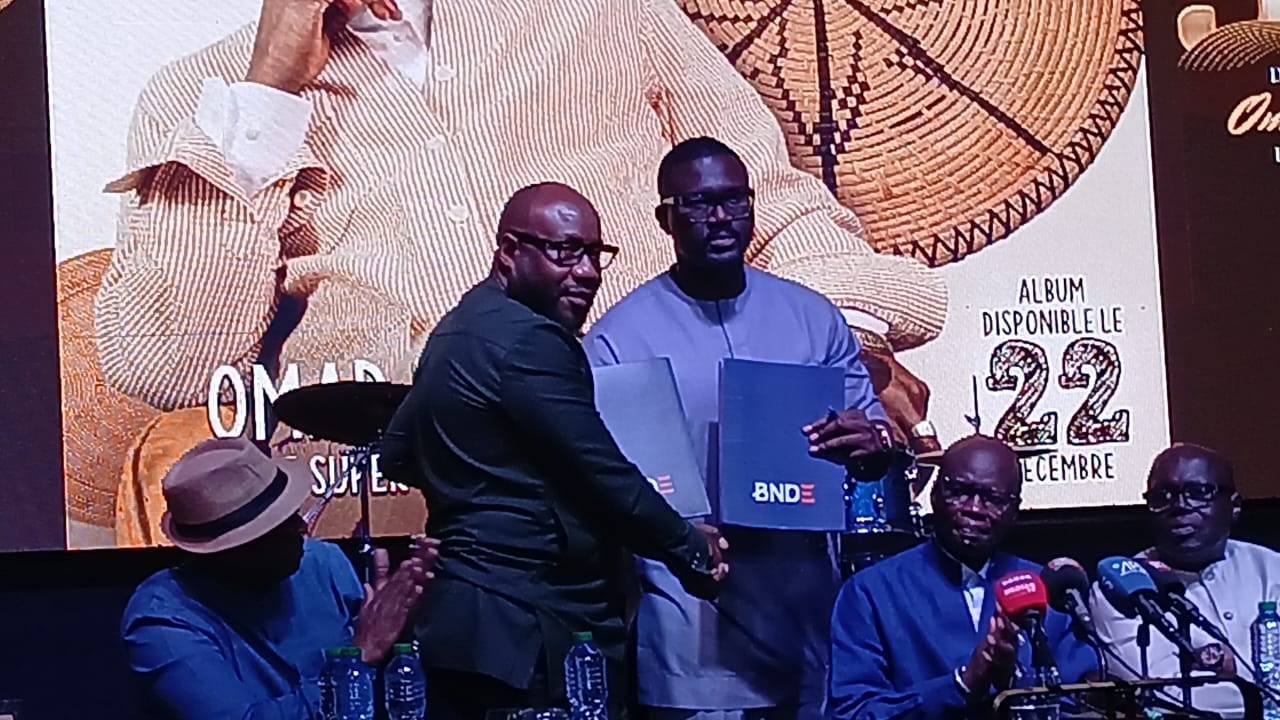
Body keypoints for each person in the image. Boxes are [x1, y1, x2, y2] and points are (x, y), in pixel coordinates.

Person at [93, 0, 944, 419]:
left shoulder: (602, 11)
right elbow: (168, 365)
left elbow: (775, 211)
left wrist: (842, 349)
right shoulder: (206, 100)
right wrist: (268, 91)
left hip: (669, 452)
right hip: (413, 501)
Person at [581, 136, 926, 720]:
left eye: (735, 199)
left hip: (802, 616)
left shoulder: (814, 319)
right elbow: (603, 482)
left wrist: (874, 445)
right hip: (688, 626)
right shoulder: (617, 340)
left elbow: (873, 447)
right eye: (699, 203)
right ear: (666, 219)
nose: (721, 217)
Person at [380, 182, 728, 720]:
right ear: (509, 251)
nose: (586, 271)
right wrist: (691, 550)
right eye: (565, 252)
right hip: (528, 626)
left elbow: (396, 453)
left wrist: (483, 484)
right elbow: (600, 473)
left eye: (594, 253)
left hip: (465, 621)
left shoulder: (457, 326)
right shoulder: (530, 340)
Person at [121, 436, 439, 720]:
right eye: (279, 526)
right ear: (230, 550)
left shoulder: (323, 562)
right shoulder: (163, 619)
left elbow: (380, 683)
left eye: (291, 513)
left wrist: (403, 629)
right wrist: (357, 660)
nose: (301, 528)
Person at [828, 435, 1097, 720]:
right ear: (934, 495)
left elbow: (1082, 705)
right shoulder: (871, 593)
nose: (974, 509)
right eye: (959, 492)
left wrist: (1015, 683)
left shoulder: (1048, 589)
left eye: (993, 499)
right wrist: (962, 684)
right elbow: (853, 712)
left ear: (1015, 510)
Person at [1092, 443, 1280, 716]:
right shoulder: (1120, 589)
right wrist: (1265, 690)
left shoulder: (1271, 570)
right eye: (1162, 496)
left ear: (1234, 507)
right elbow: (1162, 695)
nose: (1179, 506)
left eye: (1199, 492)